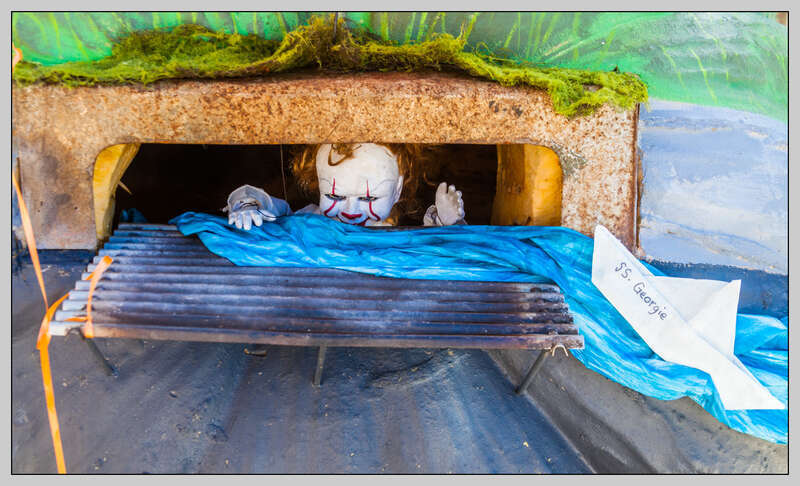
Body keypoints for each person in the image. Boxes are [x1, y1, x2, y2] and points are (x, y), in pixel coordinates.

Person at [224, 143, 466, 229]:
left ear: (398, 190)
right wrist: (246, 202)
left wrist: (448, 225)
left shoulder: (400, 232)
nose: (350, 210)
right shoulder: (312, 218)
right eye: (335, 196)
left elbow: (436, 251)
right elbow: (272, 208)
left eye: (368, 199)